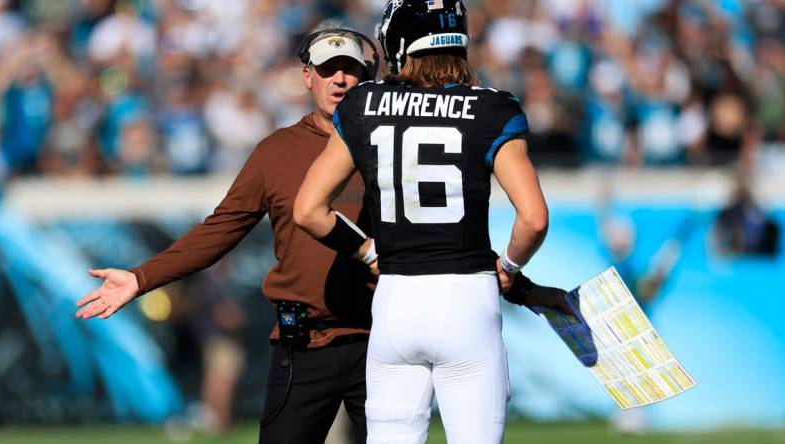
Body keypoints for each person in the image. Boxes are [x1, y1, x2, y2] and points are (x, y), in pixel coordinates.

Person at [75, 21, 380, 444]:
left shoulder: (394, 143)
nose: (340, 79)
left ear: (370, 76)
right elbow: (221, 230)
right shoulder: (277, 151)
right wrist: (141, 277)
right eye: (328, 69)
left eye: (350, 68)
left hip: (382, 341)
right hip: (304, 343)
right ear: (307, 76)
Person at [293, 2, 571, 442]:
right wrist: (511, 268)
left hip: (395, 302)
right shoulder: (492, 108)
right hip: (466, 302)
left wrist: (368, 252)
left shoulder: (364, 104)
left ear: (398, 43)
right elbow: (533, 219)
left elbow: (307, 209)